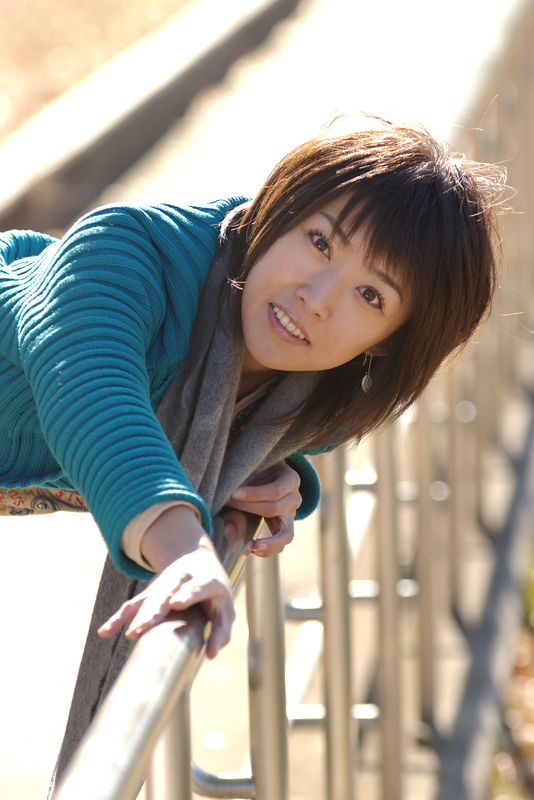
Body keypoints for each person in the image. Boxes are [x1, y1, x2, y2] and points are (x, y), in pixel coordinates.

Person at [0, 118, 504, 771]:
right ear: (279, 210)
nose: (317, 299)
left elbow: (230, 421)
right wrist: (184, 550)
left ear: (388, 342)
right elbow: (89, 386)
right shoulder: (124, 253)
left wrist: (272, 468)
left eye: (370, 294)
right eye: (320, 242)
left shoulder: (316, 393)